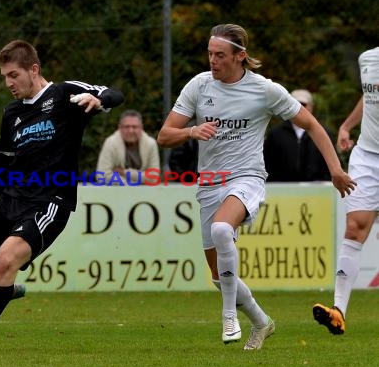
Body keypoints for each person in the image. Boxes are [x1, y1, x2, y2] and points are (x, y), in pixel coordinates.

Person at [157, 23, 355, 350]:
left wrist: (335, 169)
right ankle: (262, 323)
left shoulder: (265, 90)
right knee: (219, 277)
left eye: (220, 55)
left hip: (246, 178)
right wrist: (192, 132)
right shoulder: (198, 86)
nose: (212, 61)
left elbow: (313, 126)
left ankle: (228, 318)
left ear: (240, 56)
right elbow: (165, 136)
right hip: (209, 184)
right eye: (210, 54)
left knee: (222, 229)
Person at [0, 39, 124, 354]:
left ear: (34, 69)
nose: (8, 83)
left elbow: (115, 94)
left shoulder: (65, 94)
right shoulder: (11, 112)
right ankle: (5, 289)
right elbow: (3, 156)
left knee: (6, 258)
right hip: (10, 199)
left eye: (13, 75)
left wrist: (98, 101)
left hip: (49, 202)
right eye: (4, 77)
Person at [313, 46, 379, 335]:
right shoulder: (368, 57)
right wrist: (347, 125)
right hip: (366, 155)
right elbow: (370, 95)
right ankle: (338, 310)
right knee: (355, 228)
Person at [264, 89, 334, 182]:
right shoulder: (275, 134)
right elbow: (267, 164)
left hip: (318, 190)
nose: (299, 108)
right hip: (282, 191)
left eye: (303, 104)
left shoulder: (324, 133)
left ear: (311, 107)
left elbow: (331, 164)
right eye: (294, 104)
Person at [96, 109, 160, 184]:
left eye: (135, 127)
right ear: (120, 128)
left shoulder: (151, 144)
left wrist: (124, 172)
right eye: (127, 127)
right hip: (116, 192)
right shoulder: (110, 143)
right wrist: (129, 186)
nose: (131, 131)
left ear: (141, 127)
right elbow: (101, 176)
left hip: (145, 193)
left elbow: (153, 177)